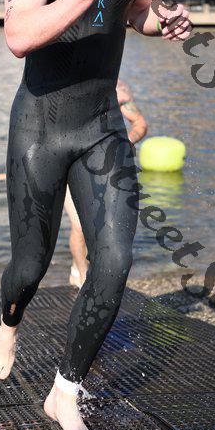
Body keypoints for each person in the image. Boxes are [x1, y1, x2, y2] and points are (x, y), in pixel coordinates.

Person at [0, 0, 192, 430]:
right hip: (40, 127)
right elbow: (18, 35)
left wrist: (163, 19)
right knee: (29, 267)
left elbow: (132, 9)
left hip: (102, 126)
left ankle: (65, 392)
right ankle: (9, 324)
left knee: (116, 261)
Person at [65, 78, 147, 289]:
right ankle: (83, 278)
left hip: (107, 166)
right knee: (80, 226)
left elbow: (139, 123)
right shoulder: (68, 80)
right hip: (70, 163)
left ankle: (84, 270)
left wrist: (126, 142)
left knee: (103, 228)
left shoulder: (117, 87)